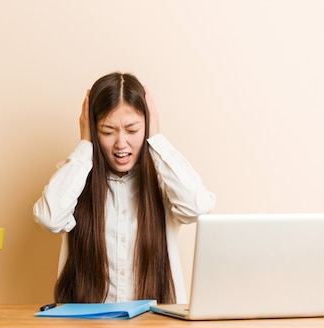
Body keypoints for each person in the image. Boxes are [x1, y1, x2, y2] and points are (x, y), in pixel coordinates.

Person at [33, 72, 215, 304]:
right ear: (92, 130)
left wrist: (157, 139)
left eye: (132, 130)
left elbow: (197, 207)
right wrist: (84, 146)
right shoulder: (75, 179)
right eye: (108, 132)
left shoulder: (164, 182)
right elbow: (50, 218)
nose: (121, 143)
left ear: (147, 127)